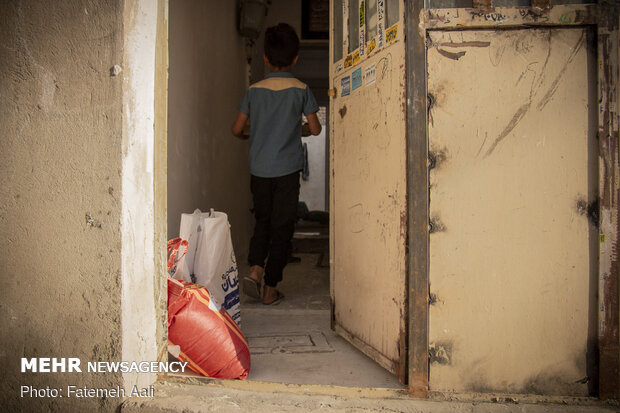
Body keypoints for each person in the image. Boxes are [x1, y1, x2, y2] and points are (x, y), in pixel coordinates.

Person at [232, 23, 322, 305]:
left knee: (263, 221)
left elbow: (236, 129)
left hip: (259, 170)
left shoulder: (254, 90)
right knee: (283, 227)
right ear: (295, 59)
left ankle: (256, 269)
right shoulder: (301, 89)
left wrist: (254, 133)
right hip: (286, 171)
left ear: (265, 58)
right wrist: (301, 129)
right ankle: (271, 288)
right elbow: (316, 128)